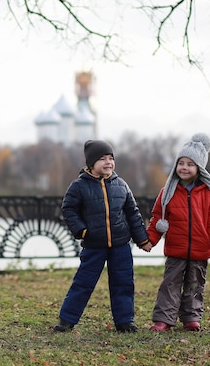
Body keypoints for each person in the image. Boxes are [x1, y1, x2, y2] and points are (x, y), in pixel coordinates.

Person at [53, 140, 153, 333]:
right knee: (83, 282)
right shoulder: (79, 186)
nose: (108, 162)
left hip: (121, 244)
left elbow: (133, 213)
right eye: (102, 159)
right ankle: (67, 320)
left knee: (123, 282)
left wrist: (142, 239)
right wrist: (81, 231)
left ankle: (125, 321)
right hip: (94, 245)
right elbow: (69, 209)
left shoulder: (121, 185)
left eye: (111, 158)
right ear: (91, 164)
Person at [147, 133, 210, 332]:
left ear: (199, 168)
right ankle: (163, 319)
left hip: (200, 247)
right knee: (170, 284)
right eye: (181, 162)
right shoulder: (168, 192)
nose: (184, 167)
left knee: (194, 285)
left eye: (190, 164)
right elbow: (158, 217)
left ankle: (191, 317)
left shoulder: (208, 192)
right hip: (176, 248)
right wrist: (150, 240)